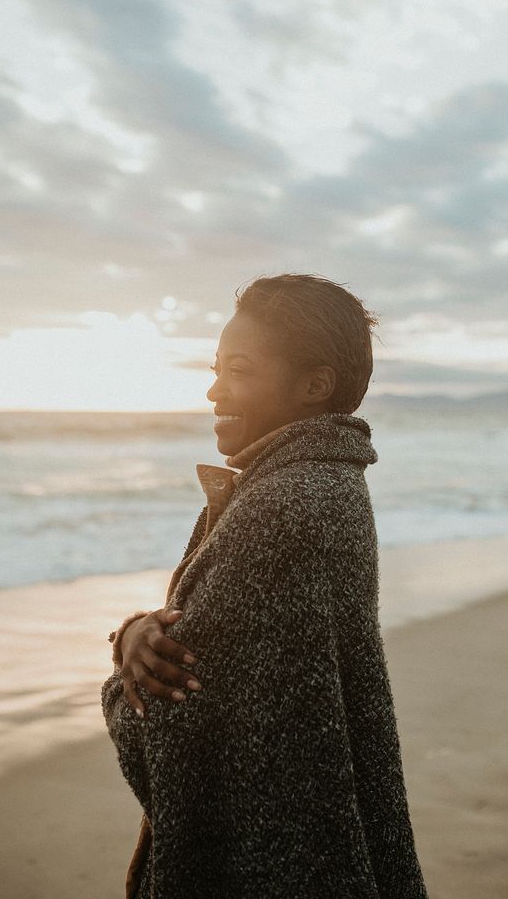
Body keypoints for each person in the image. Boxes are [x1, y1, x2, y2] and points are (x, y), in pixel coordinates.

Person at [102, 273, 428, 899]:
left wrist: (126, 667)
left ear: (313, 386)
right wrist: (139, 630)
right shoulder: (328, 485)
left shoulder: (283, 504)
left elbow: (171, 726)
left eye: (240, 370)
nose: (213, 388)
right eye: (216, 367)